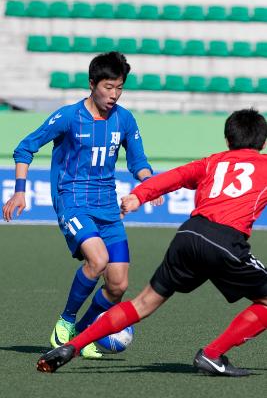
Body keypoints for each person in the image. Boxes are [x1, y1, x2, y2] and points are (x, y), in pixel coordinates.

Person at [37, 108, 267, 376]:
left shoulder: (211, 162)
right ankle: (213, 355)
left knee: (142, 304)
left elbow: (175, 177)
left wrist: (139, 196)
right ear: (263, 143)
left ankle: (72, 346)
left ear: (227, 141)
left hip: (188, 236)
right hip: (225, 241)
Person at [2, 51, 162, 359]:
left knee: (118, 284)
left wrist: (149, 184)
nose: (114, 95)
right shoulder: (68, 116)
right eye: (108, 87)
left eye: (119, 88)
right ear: (92, 84)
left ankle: (83, 335)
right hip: (72, 201)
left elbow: (138, 162)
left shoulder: (124, 119)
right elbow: (25, 147)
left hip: (108, 207)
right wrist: (19, 191)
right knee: (98, 260)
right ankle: (66, 320)